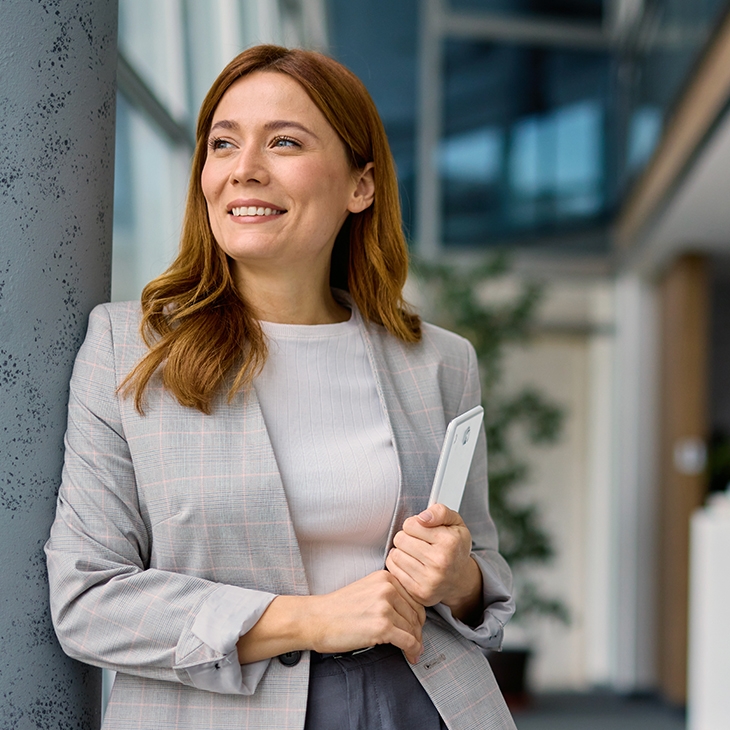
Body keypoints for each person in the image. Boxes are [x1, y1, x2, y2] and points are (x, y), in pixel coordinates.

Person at [45, 44, 515, 730]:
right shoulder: (128, 349)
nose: (244, 171)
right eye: (223, 144)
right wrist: (309, 620)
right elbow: (87, 602)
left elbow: (484, 582)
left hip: (423, 702)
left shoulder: (440, 362)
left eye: (285, 142)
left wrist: (460, 579)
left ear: (362, 185)